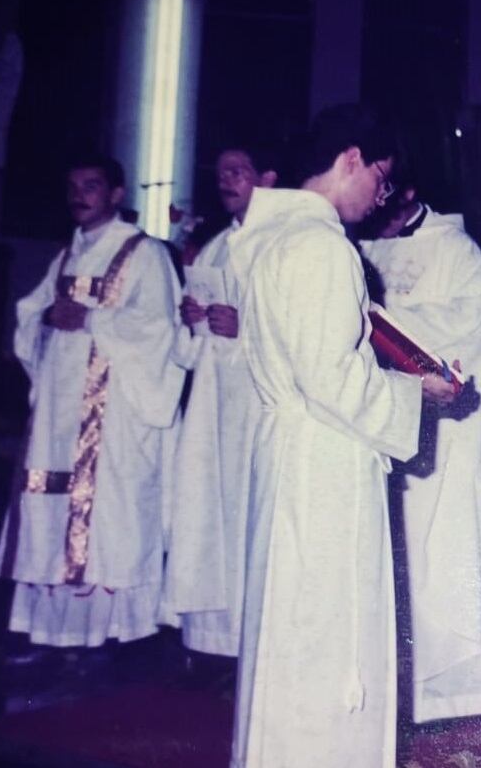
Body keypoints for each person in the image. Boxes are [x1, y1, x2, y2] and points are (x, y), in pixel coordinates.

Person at [227, 106, 456, 767]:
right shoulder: (321, 246)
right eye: (380, 179)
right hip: (323, 462)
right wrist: (420, 391)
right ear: (351, 158)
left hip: (289, 453)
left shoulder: (270, 239)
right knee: (324, 637)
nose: (379, 198)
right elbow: (331, 377)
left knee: (292, 629)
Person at [0, 153, 184, 647]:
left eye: (92, 185)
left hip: (115, 413)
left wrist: (94, 320)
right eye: (73, 185)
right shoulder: (68, 253)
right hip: (60, 411)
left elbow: (161, 329)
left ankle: (105, 634)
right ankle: (52, 632)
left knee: (109, 515)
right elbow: (30, 313)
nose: (80, 194)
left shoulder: (144, 253)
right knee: (51, 504)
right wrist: (45, 321)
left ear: (117, 194)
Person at [357, 177, 481, 722]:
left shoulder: (457, 251)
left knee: (444, 552)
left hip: (445, 434)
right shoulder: (354, 249)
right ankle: (390, 694)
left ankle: (458, 693)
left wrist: (384, 324)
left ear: (406, 191)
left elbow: (473, 331)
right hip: (377, 418)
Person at [162, 146, 276, 657]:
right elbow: (187, 350)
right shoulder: (213, 249)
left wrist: (246, 327)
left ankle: (254, 644)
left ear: (268, 178)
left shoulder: (284, 247)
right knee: (213, 513)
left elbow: (304, 330)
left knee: (252, 516)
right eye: (222, 172)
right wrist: (191, 320)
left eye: (239, 172)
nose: (227, 181)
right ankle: (215, 642)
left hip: (258, 405)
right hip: (213, 408)